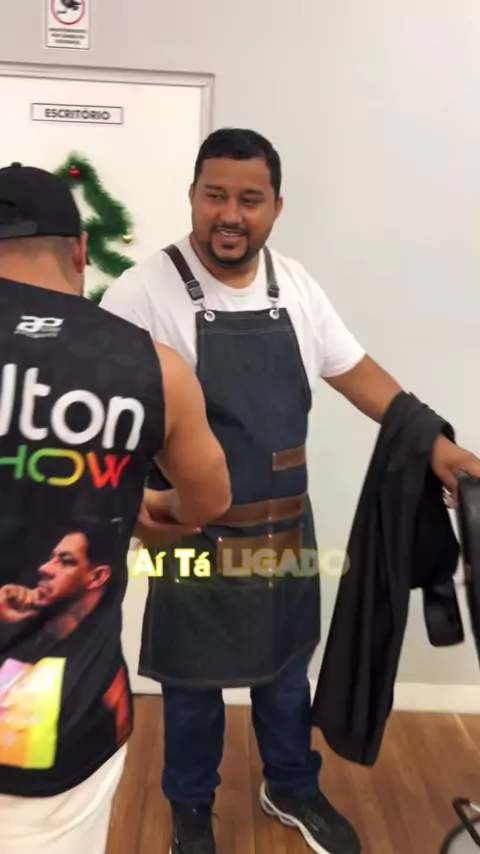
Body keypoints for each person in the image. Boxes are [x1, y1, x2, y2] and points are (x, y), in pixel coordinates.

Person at [100, 128, 480, 854]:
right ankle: (189, 807)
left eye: (249, 199)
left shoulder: (296, 287)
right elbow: (106, 413)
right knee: (190, 686)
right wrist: (131, 510)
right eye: (215, 195)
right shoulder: (140, 292)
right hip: (191, 538)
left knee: (284, 674)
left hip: (284, 533)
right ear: (191, 197)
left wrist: (436, 442)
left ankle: (292, 787)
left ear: (276, 206)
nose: (230, 214)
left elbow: (358, 373)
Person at [0, 162, 231, 854]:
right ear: (80, 252)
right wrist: (148, 507)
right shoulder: (148, 366)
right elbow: (210, 498)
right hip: (51, 732)